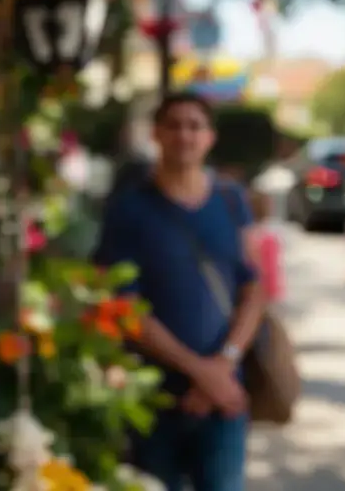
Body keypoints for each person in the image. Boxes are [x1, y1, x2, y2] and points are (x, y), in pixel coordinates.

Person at [93, 92, 267, 491]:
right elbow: (124, 306)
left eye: (195, 126)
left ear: (210, 137)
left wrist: (222, 366)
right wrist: (201, 372)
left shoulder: (231, 200)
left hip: (224, 395)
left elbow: (254, 289)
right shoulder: (128, 209)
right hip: (152, 397)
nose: (184, 135)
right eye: (173, 125)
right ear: (156, 134)